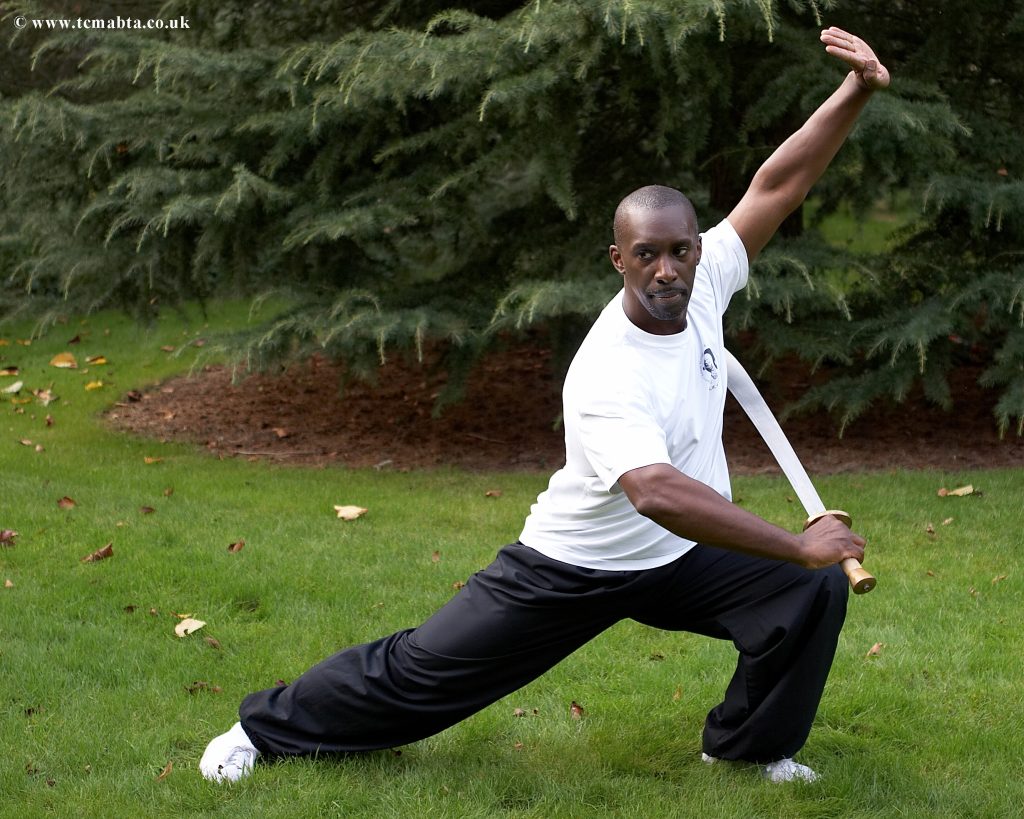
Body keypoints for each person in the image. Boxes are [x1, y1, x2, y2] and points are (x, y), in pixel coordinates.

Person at [200, 26, 886, 784]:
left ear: (697, 248)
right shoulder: (606, 367)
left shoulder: (708, 279)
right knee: (423, 672)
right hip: (578, 563)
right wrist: (795, 542)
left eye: (680, 250)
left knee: (811, 591)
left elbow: (777, 186)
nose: (668, 269)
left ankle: (750, 748)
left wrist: (854, 92)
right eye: (648, 254)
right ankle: (260, 730)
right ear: (618, 259)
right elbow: (654, 492)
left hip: (682, 557)